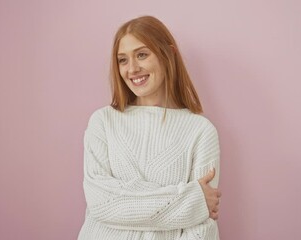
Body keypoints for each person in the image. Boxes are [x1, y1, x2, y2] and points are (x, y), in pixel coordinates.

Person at [78, 15, 221, 240]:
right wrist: (191, 200)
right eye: (122, 60)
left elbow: (201, 229)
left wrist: (125, 204)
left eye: (142, 55)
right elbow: (101, 202)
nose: (132, 68)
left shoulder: (200, 131)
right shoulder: (103, 122)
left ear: (168, 55)